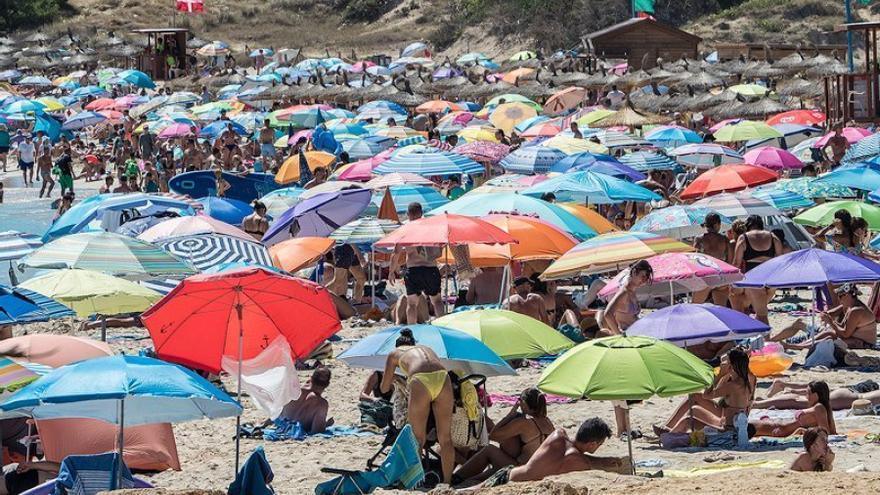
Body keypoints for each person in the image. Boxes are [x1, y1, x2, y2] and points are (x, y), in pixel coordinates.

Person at [380, 329, 454, 484]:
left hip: (420, 379)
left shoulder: (394, 353)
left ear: (397, 345)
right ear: (413, 343)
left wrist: (394, 378)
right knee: (445, 438)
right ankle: (447, 483)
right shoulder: (427, 349)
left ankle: (416, 482)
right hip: (442, 377)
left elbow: (384, 388)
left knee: (418, 438)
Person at [480, 418, 630, 487]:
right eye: (599, 444)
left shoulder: (559, 435)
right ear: (592, 444)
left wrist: (604, 460)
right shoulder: (579, 461)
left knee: (470, 488)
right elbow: (585, 461)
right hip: (508, 482)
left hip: (509, 472)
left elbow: (577, 455)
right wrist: (606, 462)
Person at [454, 388, 555, 485]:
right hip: (542, 468)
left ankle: (457, 477)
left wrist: (510, 415)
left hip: (524, 469)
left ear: (524, 402)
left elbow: (493, 435)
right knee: (493, 469)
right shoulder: (548, 422)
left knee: (489, 449)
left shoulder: (525, 422)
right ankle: (468, 479)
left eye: (519, 400)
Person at [657, 347, 755, 434]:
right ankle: (668, 431)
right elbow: (717, 388)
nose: (723, 363)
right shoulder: (743, 380)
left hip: (728, 430)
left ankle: (667, 436)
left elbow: (707, 395)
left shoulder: (733, 385)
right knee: (694, 409)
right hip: (731, 423)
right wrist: (726, 374)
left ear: (731, 365)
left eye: (726, 362)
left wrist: (720, 374)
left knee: (688, 420)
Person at [774, 284, 877, 350]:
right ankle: (772, 340)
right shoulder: (848, 306)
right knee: (800, 322)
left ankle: (796, 346)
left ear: (847, 295)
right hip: (847, 336)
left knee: (828, 335)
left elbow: (845, 334)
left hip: (861, 343)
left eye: (840, 296)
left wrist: (831, 322)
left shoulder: (856, 311)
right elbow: (830, 314)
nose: (839, 299)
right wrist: (826, 315)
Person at [389, 203, 444, 323]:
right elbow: (440, 247)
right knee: (437, 301)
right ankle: (442, 325)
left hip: (413, 270)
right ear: (421, 213)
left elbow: (396, 253)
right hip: (430, 268)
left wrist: (391, 271)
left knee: (412, 304)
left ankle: (412, 328)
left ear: (408, 214)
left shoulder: (405, 230)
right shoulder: (431, 229)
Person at [732, 215, 781, 324]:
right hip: (771, 278)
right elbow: (780, 259)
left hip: (755, 278)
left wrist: (732, 281)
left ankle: (765, 339)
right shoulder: (773, 237)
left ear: (748, 226)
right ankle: (760, 336)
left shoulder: (743, 237)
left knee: (761, 314)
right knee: (760, 310)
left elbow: (736, 263)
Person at [751, 381, 836, 437]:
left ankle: (766, 421)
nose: (807, 397)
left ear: (817, 395)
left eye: (809, 393)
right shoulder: (825, 406)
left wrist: (803, 431)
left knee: (744, 429)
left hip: (780, 430)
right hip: (780, 427)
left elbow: (825, 432)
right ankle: (767, 420)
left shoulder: (819, 408)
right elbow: (832, 431)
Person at [598, 259, 652, 335]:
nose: (644, 280)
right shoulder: (624, 293)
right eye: (642, 276)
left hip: (635, 332)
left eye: (646, 278)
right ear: (633, 272)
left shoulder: (632, 291)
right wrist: (618, 334)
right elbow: (608, 314)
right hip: (628, 334)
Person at [692, 213, 731, 306]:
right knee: (721, 308)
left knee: (695, 306)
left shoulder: (699, 239)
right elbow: (729, 260)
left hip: (705, 275)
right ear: (717, 224)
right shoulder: (724, 239)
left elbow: (695, 258)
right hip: (720, 275)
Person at [280, 366, 332, 434]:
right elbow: (316, 431)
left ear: (311, 378)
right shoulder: (321, 404)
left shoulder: (294, 390)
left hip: (281, 427)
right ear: (327, 384)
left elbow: (277, 412)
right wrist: (327, 424)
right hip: (296, 432)